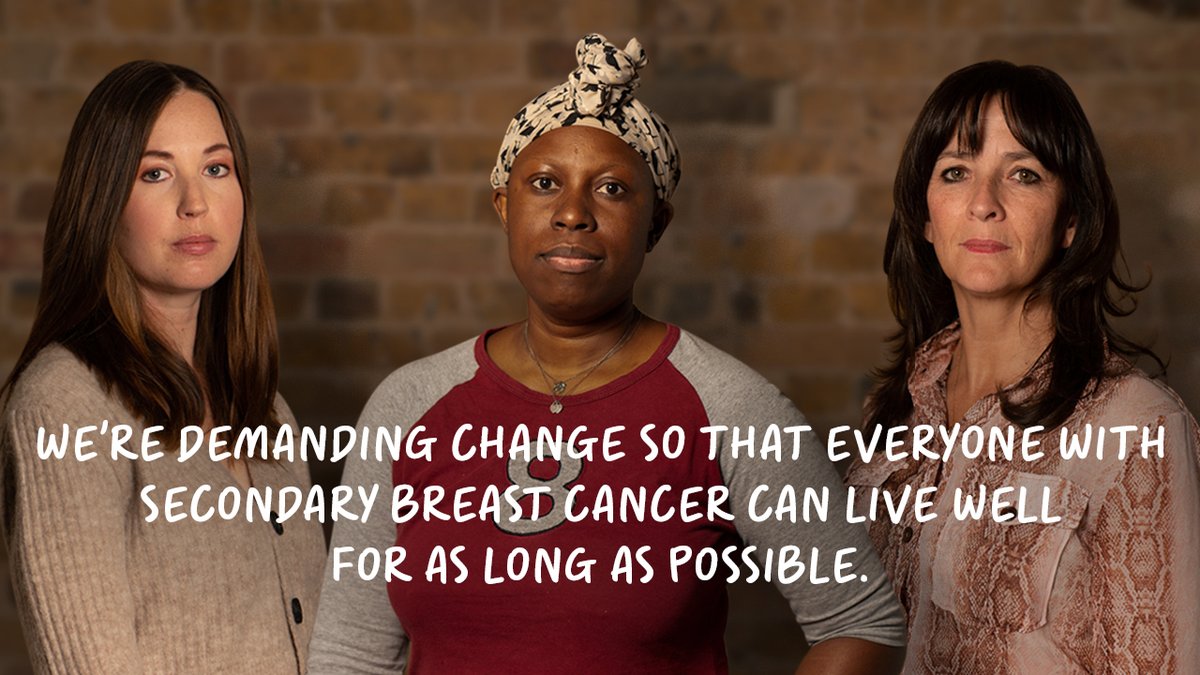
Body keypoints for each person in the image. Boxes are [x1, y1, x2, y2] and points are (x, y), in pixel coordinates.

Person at [308, 34, 905, 674]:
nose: (572, 214)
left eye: (613, 190)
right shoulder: (410, 406)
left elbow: (860, 622)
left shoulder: (730, 409)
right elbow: (351, 652)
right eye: (544, 184)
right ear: (504, 208)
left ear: (657, 223)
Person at [846, 60, 1200, 673]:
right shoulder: (894, 411)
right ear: (927, 216)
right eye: (956, 172)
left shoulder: (1140, 427)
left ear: (1069, 220)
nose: (984, 204)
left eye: (1024, 175)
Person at [0, 61, 325, 673]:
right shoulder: (64, 404)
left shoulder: (267, 410)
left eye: (215, 168)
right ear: (104, 202)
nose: (195, 203)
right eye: (155, 173)